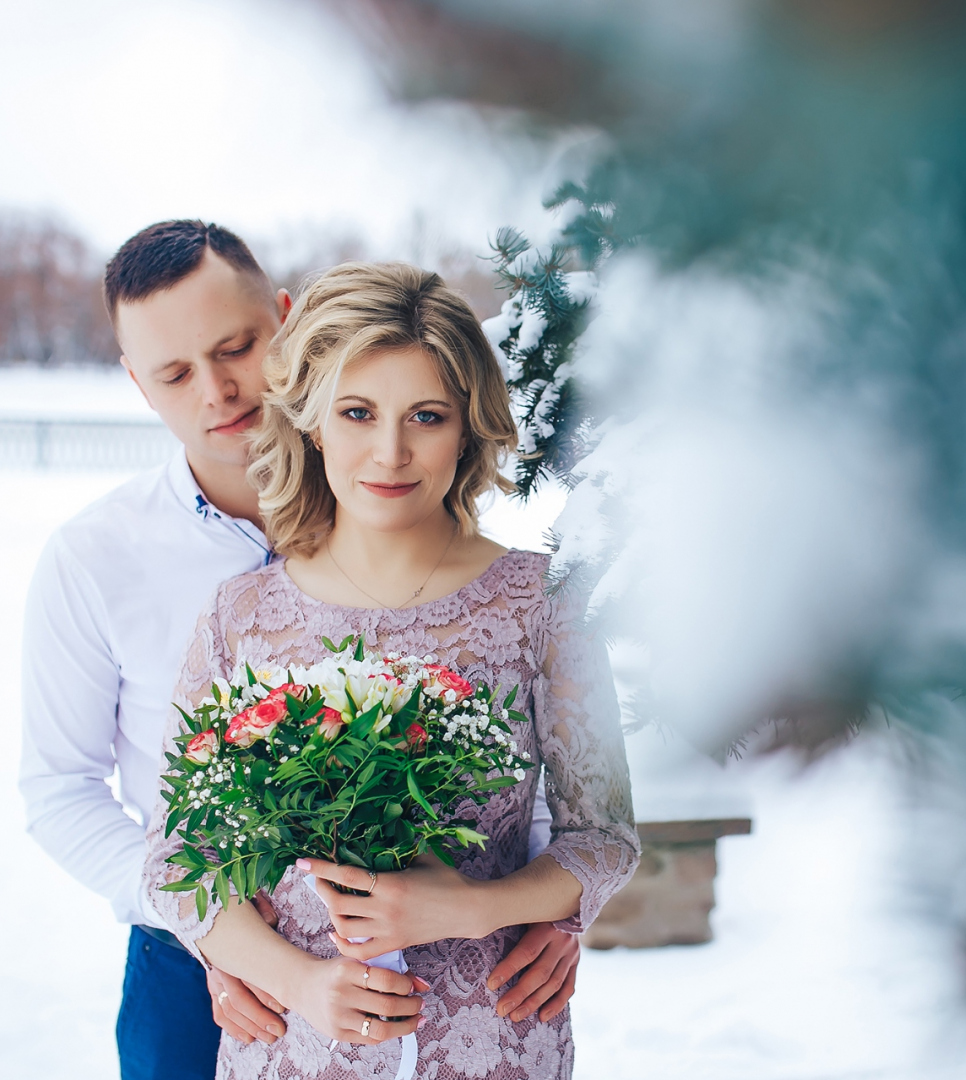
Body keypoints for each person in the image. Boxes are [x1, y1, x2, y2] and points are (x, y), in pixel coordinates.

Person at [20, 223, 583, 1080]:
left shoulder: (395, 491)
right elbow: (59, 788)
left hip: (453, 952)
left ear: (285, 321)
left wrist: (542, 905)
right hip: (189, 959)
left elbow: (510, 737)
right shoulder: (96, 558)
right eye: (174, 373)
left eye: (236, 347)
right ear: (138, 383)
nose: (217, 390)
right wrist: (216, 933)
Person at [142, 261, 639, 1079]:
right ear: (309, 421)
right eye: (358, 412)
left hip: (493, 1035)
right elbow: (174, 860)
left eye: (428, 416)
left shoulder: (542, 604)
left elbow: (605, 839)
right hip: (295, 1047)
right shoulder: (241, 616)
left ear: (468, 427)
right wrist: (297, 980)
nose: (391, 451)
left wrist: (478, 907)